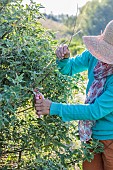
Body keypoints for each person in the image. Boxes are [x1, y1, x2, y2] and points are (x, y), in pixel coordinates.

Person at [35, 20, 113, 170]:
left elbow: (94, 111)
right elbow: (69, 69)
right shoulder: (94, 55)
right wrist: (63, 59)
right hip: (90, 135)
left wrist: (53, 108)